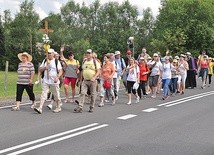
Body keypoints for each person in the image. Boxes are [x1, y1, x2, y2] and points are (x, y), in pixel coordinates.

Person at [34, 49, 63, 114]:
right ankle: (40, 108)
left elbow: (60, 70)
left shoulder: (56, 61)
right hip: (46, 80)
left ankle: (58, 107)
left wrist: (57, 77)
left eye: (50, 53)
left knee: (56, 95)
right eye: (48, 53)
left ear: (53, 54)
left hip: (54, 81)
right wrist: (45, 68)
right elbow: (40, 69)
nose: (49, 54)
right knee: (44, 93)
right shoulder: (45, 60)